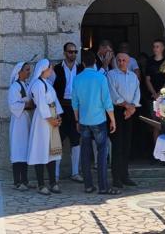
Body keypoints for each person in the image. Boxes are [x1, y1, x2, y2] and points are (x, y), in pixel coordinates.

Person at [72, 48, 117, 194]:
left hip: (84, 120)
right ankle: (103, 186)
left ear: (83, 63)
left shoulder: (77, 79)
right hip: (99, 120)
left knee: (85, 154)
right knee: (102, 153)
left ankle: (88, 185)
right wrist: (113, 120)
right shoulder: (101, 78)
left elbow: (75, 103)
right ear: (95, 62)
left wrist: (77, 120)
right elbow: (107, 102)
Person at [28, 59, 63, 195]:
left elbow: (55, 101)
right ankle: (41, 184)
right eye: (50, 68)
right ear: (44, 69)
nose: (51, 71)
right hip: (43, 121)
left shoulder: (47, 84)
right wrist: (50, 119)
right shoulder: (37, 85)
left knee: (52, 151)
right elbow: (41, 104)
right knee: (41, 150)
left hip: (52, 118)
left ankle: (53, 182)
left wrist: (58, 115)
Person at [107, 52, 140, 189]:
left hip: (130, 112)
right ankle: (116, 178)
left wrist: (132, 108)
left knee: (127, 145)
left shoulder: (133, 76)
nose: (121, 63)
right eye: (119, 60)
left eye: (124, 60)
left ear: (129, 62)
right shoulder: (111, 74)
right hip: (117, 112)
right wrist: (126, 105)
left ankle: (125, 176)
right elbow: (112, 93)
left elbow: (137, 92)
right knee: (117, 146)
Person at [52, 42, 84, 182]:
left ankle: (75, 172)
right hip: (61, 108)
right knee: (58, 140)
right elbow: (51, 89)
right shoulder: (57, 69)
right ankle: (56, 174)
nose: (73, 54)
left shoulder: (81, 68)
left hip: (75, 108)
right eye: (70, 52)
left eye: (75, 52)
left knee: (76, 140)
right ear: (65, 53)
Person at [8, 61, 34, 190]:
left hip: (25, 120)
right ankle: (17, 182)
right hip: (18, 123)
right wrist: (27, 104)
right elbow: (13, 106)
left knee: (24, 151)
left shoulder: (27, 85)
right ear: (19, 72)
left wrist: (28, 103)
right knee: (17, 150)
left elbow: (31, 102)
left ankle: (25, 180)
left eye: (29, 69)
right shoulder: (14, 87)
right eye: (27, 69)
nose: (29, 72)